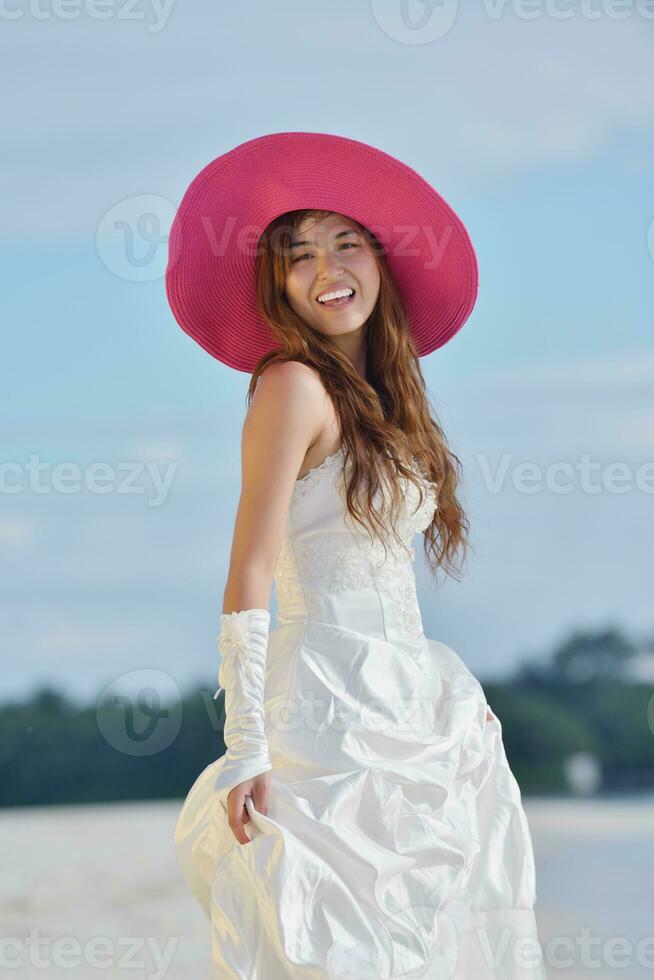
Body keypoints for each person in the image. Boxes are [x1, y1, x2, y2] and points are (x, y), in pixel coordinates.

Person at [166, 132, 547, 979]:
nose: (326, 267)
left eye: (346, 242)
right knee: (339, 944)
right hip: (322, 714)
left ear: (379, 259)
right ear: (277, 285)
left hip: (412, 702)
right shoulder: (289, 387)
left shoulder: (386, 401)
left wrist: (450, 702)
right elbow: (251, 570)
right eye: (298, 255)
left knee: (435, 938)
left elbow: (389, 581)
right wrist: (246, 746)